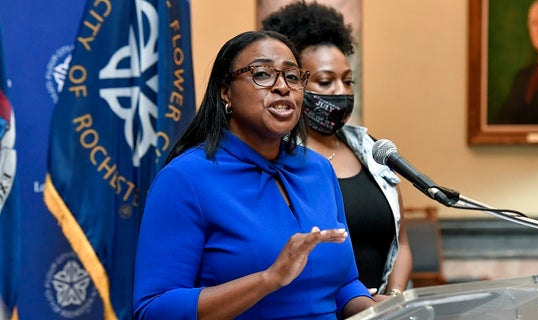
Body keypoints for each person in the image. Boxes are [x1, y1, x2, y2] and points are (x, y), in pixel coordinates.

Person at [132, 30, 376, 319]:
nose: (283, 87)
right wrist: (269, 279)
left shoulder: (319, 170)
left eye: (293, 76)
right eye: (263, 74)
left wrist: (383, 311)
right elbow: (154, 309)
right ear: (226, 91)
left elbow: (343, 285)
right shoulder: (184, 179)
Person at [262, 1, 412, 298]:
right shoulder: (275, 155)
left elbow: (402, 243)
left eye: (347, 81)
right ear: (292, 83)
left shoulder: (371, 150)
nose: (341, 92)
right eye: (326, 81)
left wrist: (391, 299)